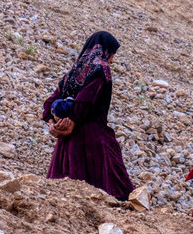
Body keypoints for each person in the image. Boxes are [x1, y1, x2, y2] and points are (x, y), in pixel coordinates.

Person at [42, 31, 134, 199]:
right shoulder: (101, 69)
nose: (112, 60)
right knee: (112, 191)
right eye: (112, 54)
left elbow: (51, 101)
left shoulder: (73, 71)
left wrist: (52, 123)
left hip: (67, 140)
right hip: (92, 139)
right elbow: (86, 101)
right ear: (105, 51)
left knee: (62, 193)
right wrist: (73, 121)